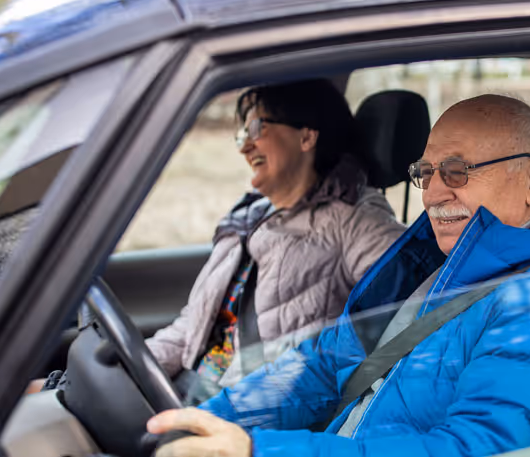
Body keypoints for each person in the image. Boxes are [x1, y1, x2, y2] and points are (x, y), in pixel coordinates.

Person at [114, 94, 530, 457]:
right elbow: (323, 365)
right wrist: (202, 425)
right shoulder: (438, 261)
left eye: (455, 170)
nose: (432, 193)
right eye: (425, 172)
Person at [147, 79, 405, 400]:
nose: (244, 146)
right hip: (195, 389)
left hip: (253, 409)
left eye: (257, 128)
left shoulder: (355, 218)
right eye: (243, 134)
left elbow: (420, 303)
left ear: (307, 135)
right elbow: (194, 324)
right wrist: (141, 365)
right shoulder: (248, 216)